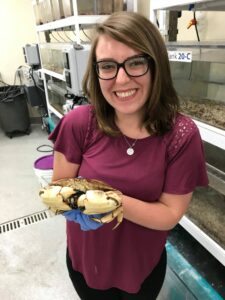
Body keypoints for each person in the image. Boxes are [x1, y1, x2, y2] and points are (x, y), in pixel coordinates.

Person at [49, 11, 208, 300]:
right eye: (108, 66)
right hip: (87, 264)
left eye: (135, 63)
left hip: (143, 268)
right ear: (96, 72)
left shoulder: (181, 135)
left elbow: (170, 214)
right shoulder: (79, 123)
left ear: (156, 65)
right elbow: (58, 191)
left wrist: (112, 202)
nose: (121, 80)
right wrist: (69, 202)